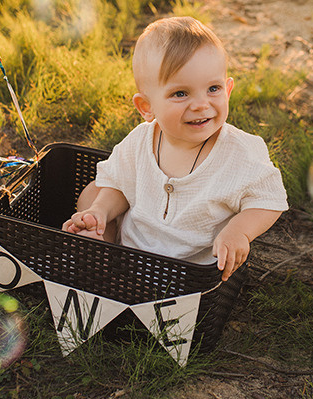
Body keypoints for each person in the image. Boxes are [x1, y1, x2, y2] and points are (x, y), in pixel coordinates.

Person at [62, 16, 288, 280]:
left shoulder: (240, 152)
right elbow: (120, 185)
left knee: (97, 193)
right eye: (181, 93)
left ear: (228, 90)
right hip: (130, 251)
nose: (201, 104)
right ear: (147, 107)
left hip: (190, 270)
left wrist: (239, 231)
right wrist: (100, 211)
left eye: (213, 88)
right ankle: (101, 244)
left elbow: (268, 200)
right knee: (94, 193)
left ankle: (102, 259)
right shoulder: (141, 141)